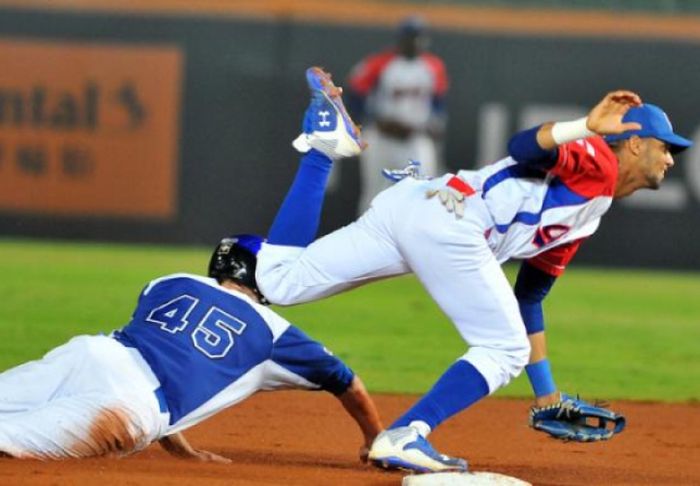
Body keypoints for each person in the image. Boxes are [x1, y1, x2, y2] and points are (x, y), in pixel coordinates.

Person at [256, 67, 692, 472]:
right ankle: (407, 434)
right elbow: (522, 147)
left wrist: (546, 396)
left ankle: (323, 148)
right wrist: (584, 127)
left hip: (415, 205)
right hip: (453, 223)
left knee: (279, 282)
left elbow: (530, 298)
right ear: (635, 143)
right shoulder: (599, 160)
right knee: (505, 350)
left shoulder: (589, 215)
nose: (672, 158)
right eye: (666, 147)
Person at [0, 235, 383, 461]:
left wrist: (181, 449)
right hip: (130, 406)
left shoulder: (170, 281)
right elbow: (348, 383)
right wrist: (373, 439)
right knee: (11, 442)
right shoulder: (277, 334)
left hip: (90, 354)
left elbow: (172, 354)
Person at [346, 15, 449, 214]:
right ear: (401, 39)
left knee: (424, 194)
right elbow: (355, 96)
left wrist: (436, 124)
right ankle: (368, 244)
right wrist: (372, 121)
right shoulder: (380, 63)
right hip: (382, 137)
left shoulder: (433, 66)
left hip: (415, 138)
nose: (416, 42)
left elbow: (438, 103)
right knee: (375, 196)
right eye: (411, 37)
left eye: (420, 37)